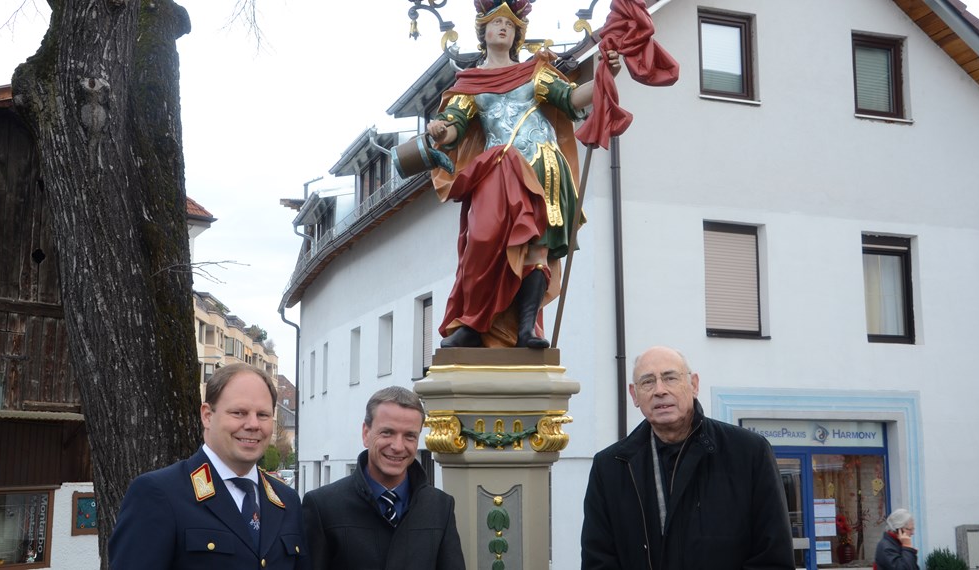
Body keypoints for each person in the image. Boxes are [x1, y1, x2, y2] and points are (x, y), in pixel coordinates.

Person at [427, 0, 620, 349]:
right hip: (497, 172)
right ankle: (475, 323)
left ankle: (527, 330)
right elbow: (454, 126)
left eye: (510, 24)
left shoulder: (535, 72)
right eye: (496, 22)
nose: (503, 27)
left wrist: (607, 74)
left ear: (518, 34)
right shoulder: (470, 83)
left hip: (541, 166)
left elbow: (572, 98)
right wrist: (442, 131)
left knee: (535, 249)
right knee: (481, 242)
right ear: (482, 30)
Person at [580, 346, 795, 569]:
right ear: (634, 395)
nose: (660, 390)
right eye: (648, 382)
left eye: (670, 378)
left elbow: (773, 557)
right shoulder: (611, 466)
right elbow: (598, 560)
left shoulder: (749, 452)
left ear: (694, 385)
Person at [108, 363, 307, 570]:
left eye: (263, 415)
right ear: (207, 415)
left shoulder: (286, 501)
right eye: (239, 413)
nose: (253, 424)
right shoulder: (159, 494)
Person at [302, 386, 465, 569]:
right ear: (366, 433)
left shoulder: (440, 507)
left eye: (409, 436)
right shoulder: (323, 507)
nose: (398, 446)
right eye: (387, 432)